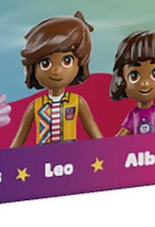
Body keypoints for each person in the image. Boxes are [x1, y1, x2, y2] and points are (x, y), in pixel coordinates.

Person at [10, 11, 102, 146]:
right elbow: (18, 141)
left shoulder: (76, 102)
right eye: (45, 63)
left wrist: (107, 151)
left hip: (69, 153)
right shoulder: (36, 106)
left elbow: (95, 135)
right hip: (43, 155)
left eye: (67, 61)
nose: (56, 70)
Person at [110, 30, 155, 136]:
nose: (145, 84)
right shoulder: (133, 115)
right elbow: (121, 134)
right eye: (134, 76)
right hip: (136, 147)